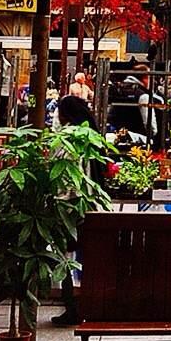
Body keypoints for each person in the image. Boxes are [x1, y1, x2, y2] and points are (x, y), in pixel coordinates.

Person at [51, 94, 106, 327]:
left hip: (70, 206)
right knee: (84, 256)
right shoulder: (91, 137)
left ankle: (72, 308)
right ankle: (85, 304)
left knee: (64, 258)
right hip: (90, 205)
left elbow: (61, 179)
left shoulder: (66, 139)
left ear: (65, 115)